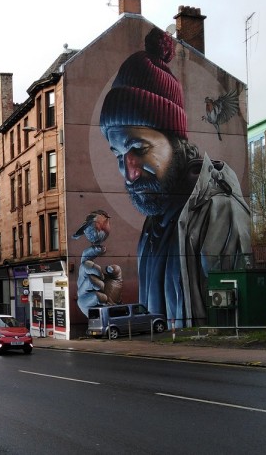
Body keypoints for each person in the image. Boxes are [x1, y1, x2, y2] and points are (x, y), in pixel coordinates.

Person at [98, 27, 252, 328]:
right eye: (118, 155)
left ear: (177, 142)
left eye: (138, 148)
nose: (129, 173)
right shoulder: (157, 220)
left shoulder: (221, 211)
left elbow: (235, 320)